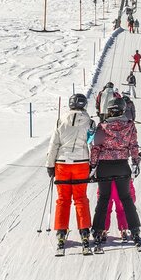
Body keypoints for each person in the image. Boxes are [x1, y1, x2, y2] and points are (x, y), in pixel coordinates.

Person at [90, 94, 141, 250]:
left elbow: (96, 147)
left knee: (103, 199)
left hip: (105, 167)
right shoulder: (130, 126)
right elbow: (133, 145)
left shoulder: (103, 126)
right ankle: (134, 230)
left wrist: (92, 165)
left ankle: (98, 230)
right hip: (122, 165)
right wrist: (135, 162)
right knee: (126, 198)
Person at [45, 93, 94, 254]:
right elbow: (92, 144)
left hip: (62, 164)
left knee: (63, 199)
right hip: (81, 164)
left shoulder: (61, 120)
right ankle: (84, 231)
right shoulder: (90, 122)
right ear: (84, 105)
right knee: (80, 198)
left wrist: (50, 165)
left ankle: (61, 231)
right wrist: (93, 165)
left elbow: (54, 144)